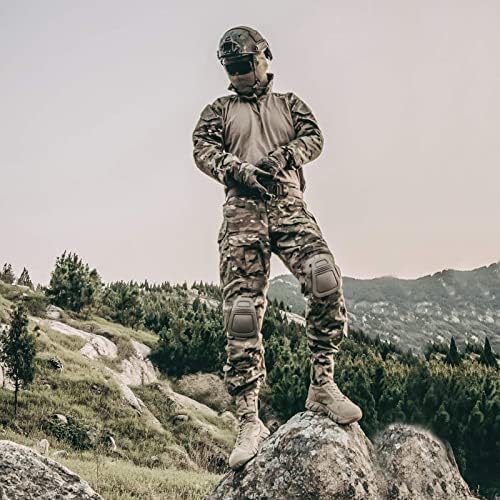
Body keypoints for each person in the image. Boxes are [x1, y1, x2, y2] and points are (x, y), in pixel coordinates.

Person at [192, 26, 362, 470]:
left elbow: (314, 138)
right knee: (242, 313)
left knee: (325, 279)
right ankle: (249, 420)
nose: (239, 75)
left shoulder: (289, 104)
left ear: (264, 58)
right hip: (242, 212)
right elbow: (202, 149)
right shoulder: (218, 111)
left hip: (288, 204)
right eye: (232, 68)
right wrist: (239, 170)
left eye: (245, 65)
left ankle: (322, 384)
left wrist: (284, 156)